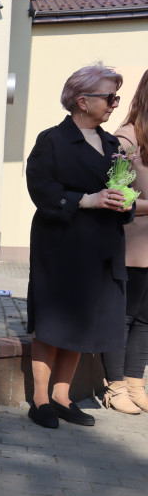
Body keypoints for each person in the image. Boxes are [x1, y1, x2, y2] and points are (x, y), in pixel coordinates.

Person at [26, 62, 135, 429]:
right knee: (54, 321)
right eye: (109, 96)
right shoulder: (52, 140)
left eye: (116, 97)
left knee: (82, 321)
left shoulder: (112, 145)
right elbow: (40, 189)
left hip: (102, 247)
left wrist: (126, 202)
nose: (115, 104)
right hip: (61, 245)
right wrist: (86, 200)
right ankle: (40, 399)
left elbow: (127, 192)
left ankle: (62, 396)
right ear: (82, 100)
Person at [103, 68, 148, 413]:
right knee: (123, 317)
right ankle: (114, 386)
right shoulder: (127, 139)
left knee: (146, 319)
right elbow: (119, 197)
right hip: (132, 245)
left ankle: (136, 382)